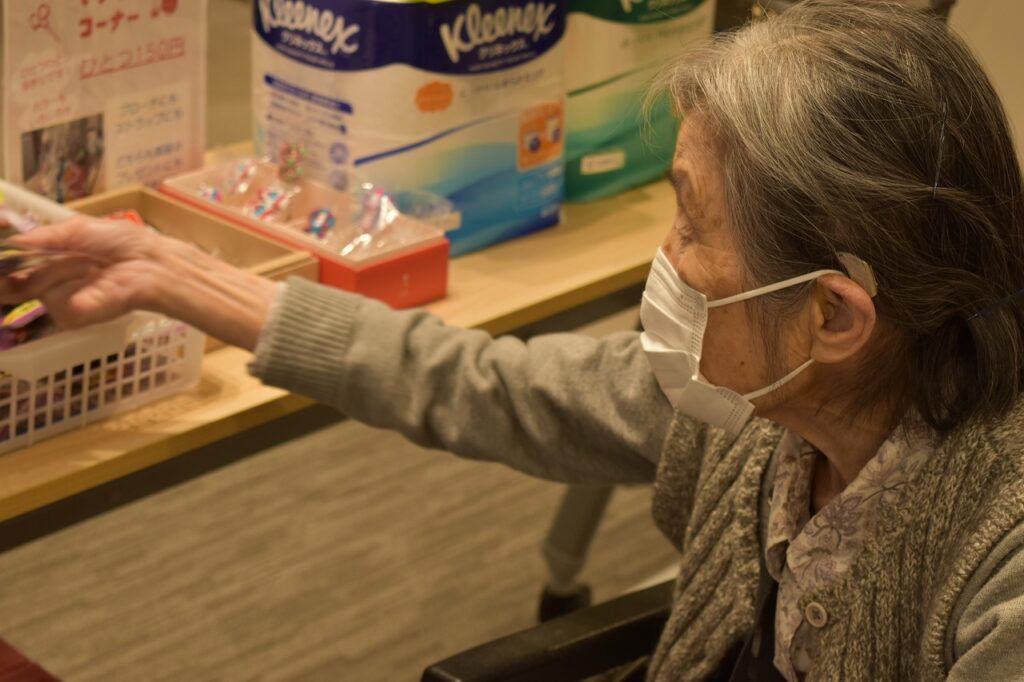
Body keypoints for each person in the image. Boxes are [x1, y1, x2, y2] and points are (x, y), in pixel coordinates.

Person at [3, 2, 1024, 679]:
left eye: (691, 220)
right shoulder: (762, 404)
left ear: (832, 316)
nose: (665, 258)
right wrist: (177, 276)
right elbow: (482, 384)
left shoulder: (1000, 564)